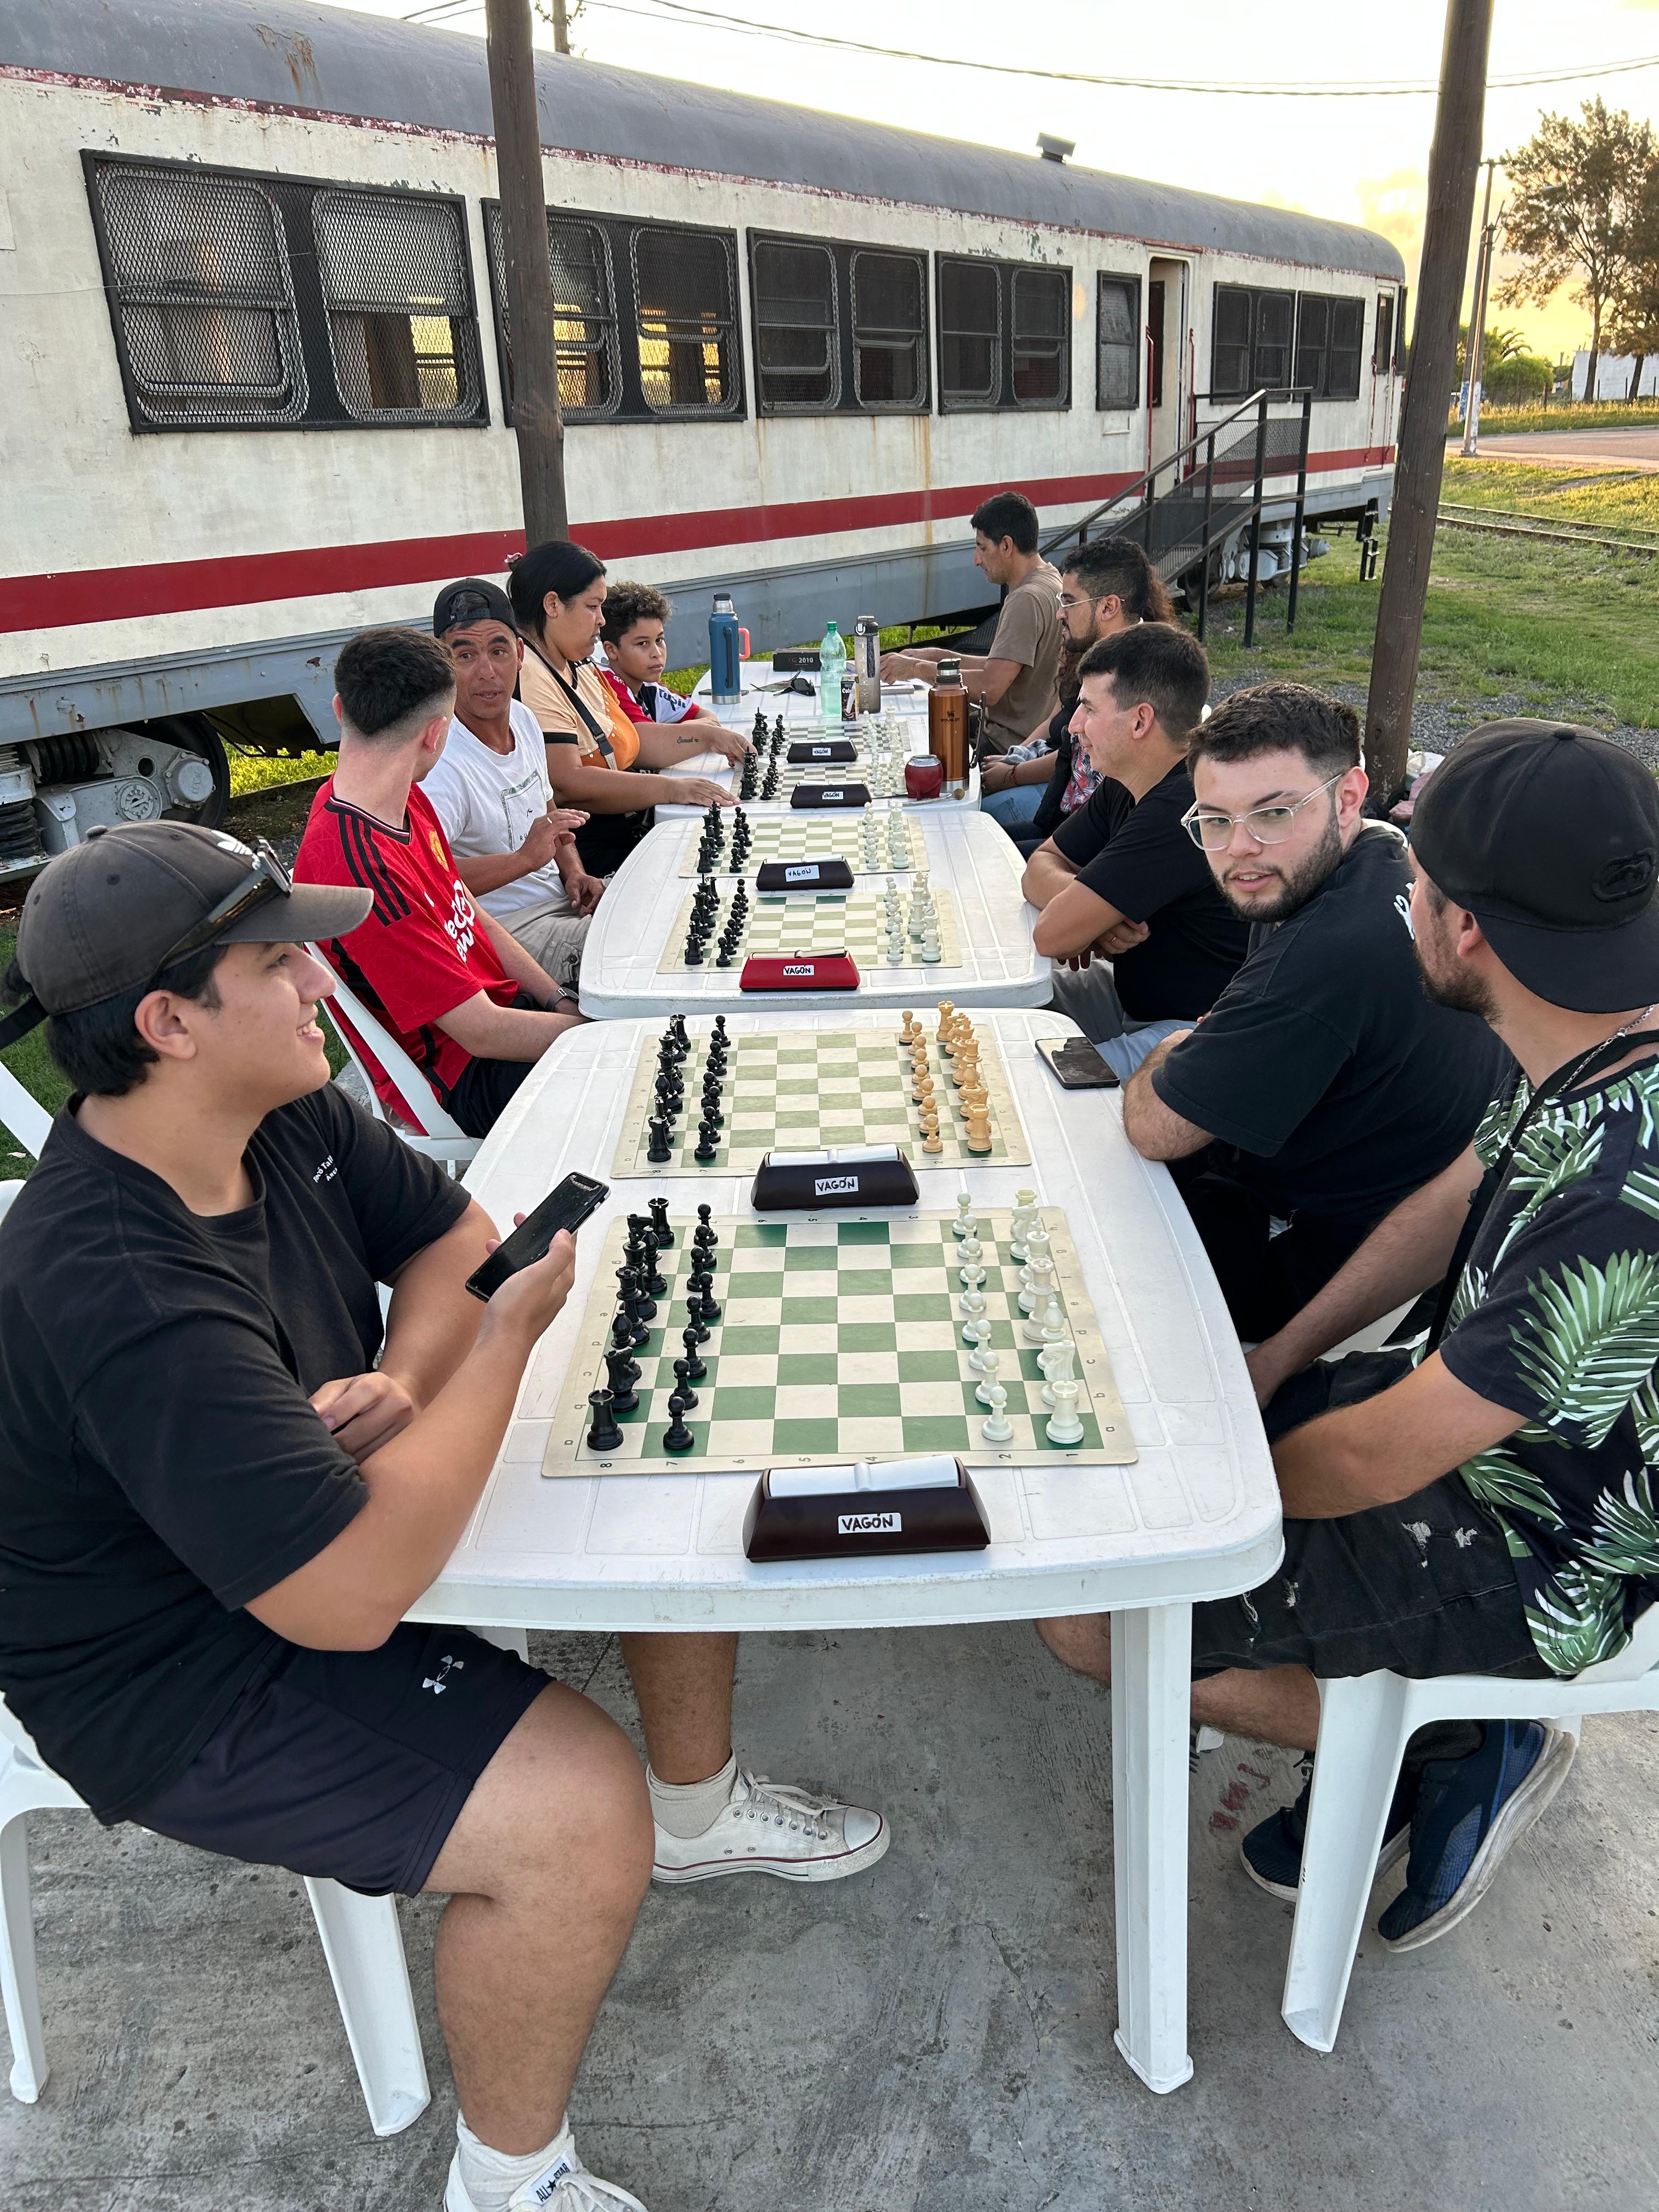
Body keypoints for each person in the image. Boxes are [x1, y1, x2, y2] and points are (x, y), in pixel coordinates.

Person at [0, 821, 656, 2211]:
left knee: (651, 1523)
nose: (319, 977)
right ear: (170, 1022)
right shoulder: (116, 1274)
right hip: (167, 1670)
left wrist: (412, 1386)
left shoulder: (269, 1101)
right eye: (279, 955)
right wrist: (494, 1355)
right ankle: (509, 2181)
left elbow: (449, 1242)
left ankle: (704, 1806)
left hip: (287, 1539)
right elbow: (346, 1596)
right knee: (583, 1812)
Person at [1042, 720, 1659, 1952]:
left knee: (1091, 1610)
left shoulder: (1617, 1203)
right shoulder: (1593, 1037)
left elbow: (1393, 1458)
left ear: (1464, 926)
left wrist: (1225, 1502)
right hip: (1486, 1439)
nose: (1401, 897)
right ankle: (1396, 1731)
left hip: (1550, 1544)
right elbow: (1445, 1206)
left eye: (1416, 881)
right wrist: (1278, 1361)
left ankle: (1460, 1737)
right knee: (1161, 1416)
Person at [1119, 682, 1508, 1340]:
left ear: (1347, 796)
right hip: (1403, 1205)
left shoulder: (1323, 958)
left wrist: (1172, 1051)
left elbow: (1156, 1128)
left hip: (1324, 1271)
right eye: (1214, 820)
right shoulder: (1381, 849)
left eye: (1272, 815)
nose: (1239, 847)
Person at [296, 628, 585, 1141]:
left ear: (340, 710)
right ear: (435, 733)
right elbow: (481, 1033)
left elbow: (471, 913)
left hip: (505, 1018)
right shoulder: (362, 874)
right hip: (464, 1077)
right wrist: (595, 1037)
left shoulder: (403, 799)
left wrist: (559, 999)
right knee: (644, 1082)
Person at [1021, 624, 1249, 1079]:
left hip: (1191, 1034)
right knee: (998, 1015)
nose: (1073, 725)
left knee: (1038, 1081)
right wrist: (1096, 913)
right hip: (1131, 996)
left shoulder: (1183, 806)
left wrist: (1084, 913)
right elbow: (1039, 867)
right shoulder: (1129, 783)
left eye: (1087, 708)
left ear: (1140, 721)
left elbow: (1051, 935)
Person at [511, 540, 745, 878]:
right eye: (593, 607)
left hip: (624, 834)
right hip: (592, 854)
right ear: (552, 605)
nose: (601, 620)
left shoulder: (576, 664)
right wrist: (673, 789)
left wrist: (708, 737)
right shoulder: (531, 672)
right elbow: (567, 783)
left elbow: (633, 741)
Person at [424, 578, 603, 1004]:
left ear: (520, 654)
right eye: (464, 655)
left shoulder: (522, 719)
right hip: (511, 930)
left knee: (668, 900)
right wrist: (523, 861)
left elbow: (546, 812)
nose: (486, 671)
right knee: (643, 943)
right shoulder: (439, 762)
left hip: (563, 902)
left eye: (499, 651)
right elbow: (429, 879)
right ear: (442, 664)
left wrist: (574, 873)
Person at [980, 537, 1176, 840]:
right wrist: (1015, 757)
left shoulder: (1137, 675)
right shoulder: (1090, 655)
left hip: (1092, 836)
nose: (1060, 613)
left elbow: (1100, 817)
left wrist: (1012, 774)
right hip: (1065, 817)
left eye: (1069, 602)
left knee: (979, 835)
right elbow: (1060, 735)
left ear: (1108, 607)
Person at [879, 491, 1062, 754]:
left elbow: (990, 687)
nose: (976, 560)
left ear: (1007, 546)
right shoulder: (1050, 579)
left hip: (1000, 747)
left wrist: (919, 669)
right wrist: (937, 656)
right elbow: (1001, 669)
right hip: (1024, 737)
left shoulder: (1025, 599)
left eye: (982, 547)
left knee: (898, 742)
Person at [599, 579, 725, 738]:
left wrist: (688, 730)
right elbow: (647, 743)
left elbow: (706, 717)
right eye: (643, 643)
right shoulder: (608, 686)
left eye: (659, 640)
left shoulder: (649, 688)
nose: (657, 653)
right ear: (611, 650)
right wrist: (700, 732)